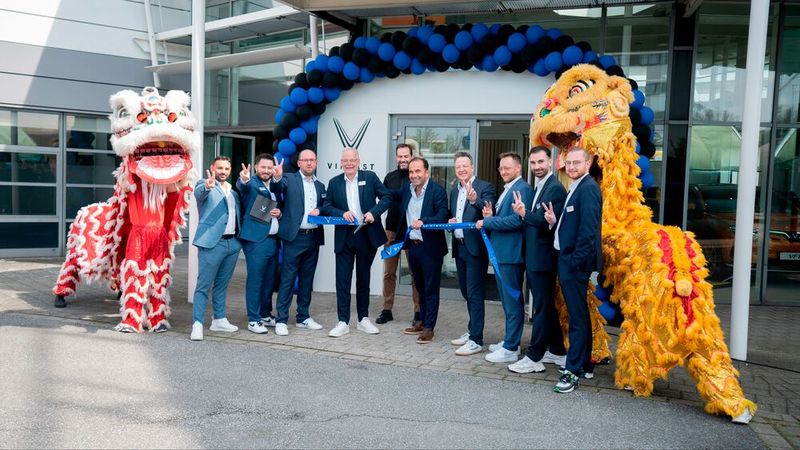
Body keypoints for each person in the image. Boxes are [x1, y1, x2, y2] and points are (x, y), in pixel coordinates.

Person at [544, 146, 602, 394]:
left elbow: (588, 232)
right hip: (568, 260)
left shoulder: (588, 189)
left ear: (588, 164)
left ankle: (573, 371)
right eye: (568, 163)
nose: (571, 167)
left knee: (577, 319)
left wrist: (575, 262)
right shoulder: (575, 186)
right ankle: (586, 363)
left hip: (574, 264)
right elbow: (573, 224)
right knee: (580, 314)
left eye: (577, 163)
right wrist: (555, 222)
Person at [508, 146, 568, 374]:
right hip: (535, 258)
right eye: (533, 163)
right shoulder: (540, 186)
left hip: (544, 259)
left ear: (550, 162)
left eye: (541, 162)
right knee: (546, 307)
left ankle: (534, 357)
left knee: (541, 308)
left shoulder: (555, 189)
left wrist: (524, 214)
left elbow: (546, 223)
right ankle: (557, 350)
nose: (537, 167)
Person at [321, 148, 393, 337]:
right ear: (341, 162)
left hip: (366, 235)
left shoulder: (369, 177)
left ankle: (363, 319)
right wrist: (341, 213)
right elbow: (327, 206)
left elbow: (387, 197)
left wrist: (374, 213)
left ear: (359, 161)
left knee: (363, 279)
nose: (349, 163)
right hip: (345, 236)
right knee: (342, 281)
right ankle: (343, 321)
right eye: (346, 160)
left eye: (353, 160)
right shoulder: (334, 182)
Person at [476, 152, 533, 363]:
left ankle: (511, 347)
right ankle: (510, 341)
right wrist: (491, 217)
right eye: (501, 168)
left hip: (511, 255)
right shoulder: (509, 189)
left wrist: (488, 223)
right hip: (502, 255)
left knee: (513, 302)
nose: (503, 171)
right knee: (508, 303)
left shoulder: (522, 189)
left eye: (507, 168)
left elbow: (518, 221)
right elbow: (505, 219)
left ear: (518, 168)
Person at [269, 149, 326, 337]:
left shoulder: (320, 185)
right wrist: (276, 178)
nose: (309, 163)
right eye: (305, 160)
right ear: (299, 163)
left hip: (313, 237)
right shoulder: (289, 179)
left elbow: (325, 206)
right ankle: (281, 320)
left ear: (316, 162)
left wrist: (320, 209)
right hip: (294, 237)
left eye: (312, 160)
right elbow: (278, 188)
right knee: (287, 279)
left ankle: (303, 317)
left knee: (307, 279)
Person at [447, 151, 496, 356]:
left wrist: (475, 200)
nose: (461, 169)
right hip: (459, 247)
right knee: (466, 293)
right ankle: (471, 331)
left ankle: (476, 339)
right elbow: (455, 216)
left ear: (472, 167)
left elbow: (488, 209)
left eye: (465, 166)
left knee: (475, 294)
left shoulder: (485, 187)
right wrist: (451, 224)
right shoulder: (454, 190)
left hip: (475, 249)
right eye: (458, 166)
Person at [396, 157, 449, 344]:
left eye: (418, 171)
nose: (414, 175)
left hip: (431, 248)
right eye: (411, 172)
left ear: (427, 172)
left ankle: (429, 328)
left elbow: (443, 214)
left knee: (431, 288)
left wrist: (424, 221)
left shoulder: (438, 191)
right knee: (419, 287)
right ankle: (422, 320)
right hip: (413, 247)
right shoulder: (407, 191)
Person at [190, 156, 241, 341]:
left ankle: (219, 319)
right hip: (212, 243)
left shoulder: (234, 192)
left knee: (222, 285)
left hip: (232, 244)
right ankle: (197, 323)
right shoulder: (205, 184)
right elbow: (198, 194)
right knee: (203, 286)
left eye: (227, 169)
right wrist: (207, 186)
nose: (223, 172)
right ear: (212, 168)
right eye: (220, 168)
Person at [236, 153, 282, 335]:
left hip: (272, 240)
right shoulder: (252, 184)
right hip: (256, 241)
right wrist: (244, 179)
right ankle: (253, 320)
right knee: (256, 281)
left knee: (269, 280)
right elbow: (243, 188)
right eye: (263, 167)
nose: (266, 171)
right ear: (256, 167)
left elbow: (277, 207)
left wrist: (279, 214)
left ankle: (264, 314)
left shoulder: (274, 185)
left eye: (269, 168)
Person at [378, 143, 420, 325]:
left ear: (411, 156)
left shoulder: (416, 177)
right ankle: (387, 310)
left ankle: (418, 311)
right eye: (400, 156)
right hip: (392, 230)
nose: (403, 159)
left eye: (406, 156)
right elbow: (384, 198)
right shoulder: (389, 177)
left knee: (415, 272)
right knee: (389, 273)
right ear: (396, 158)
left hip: (411, 230)